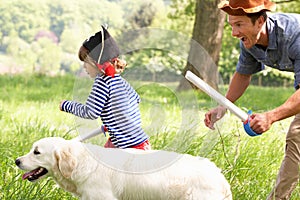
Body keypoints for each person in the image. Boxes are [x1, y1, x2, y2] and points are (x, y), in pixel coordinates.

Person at [204, 0, 300, 199]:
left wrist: (270, 117)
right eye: (231, 25)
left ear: (260, 21)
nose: (234, 33)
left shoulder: (294, 36)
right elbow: (243, 74)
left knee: (297, 133)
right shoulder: (249, 42)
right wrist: (223, 107)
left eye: (239, 25)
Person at [60, 26, 151, 150]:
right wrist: (117, 122)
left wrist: (66, 105)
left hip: (127, 148)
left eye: (86, 62)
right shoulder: (119, 80)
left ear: (96, 63)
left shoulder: (102, 83)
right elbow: (136, 99)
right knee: (104, 153)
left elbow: (91, 112)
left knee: (101, 165)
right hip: (141, 142)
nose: (84, 67)